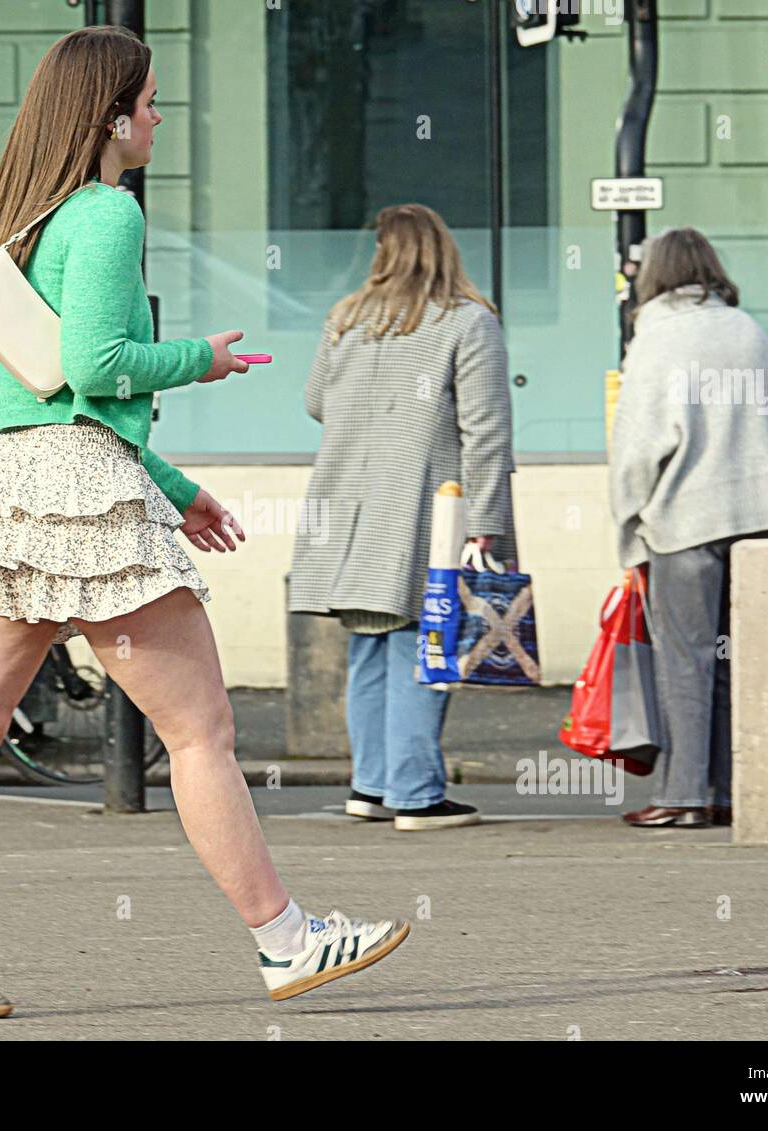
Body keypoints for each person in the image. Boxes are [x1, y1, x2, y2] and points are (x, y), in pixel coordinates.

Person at [0, 25, 408, 1020]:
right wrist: (202, 358)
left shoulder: (22, 225)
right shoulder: (107, 213)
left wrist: (169, 482)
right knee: (200, 730)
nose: (158, 117)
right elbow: (100, 366)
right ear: (109, 116)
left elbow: (39, 400)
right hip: (82, 499)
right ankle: (286, 941)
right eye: (148, 101)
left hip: (10, 491)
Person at [287, 204, 517, 832]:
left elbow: (316, 403)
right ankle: (415, 795)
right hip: (431, 506)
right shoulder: (468, 322)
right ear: (445, 250)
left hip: (350, 506)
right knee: (428, 642)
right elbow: (487, 430)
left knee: (370, 642)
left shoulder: (347, 320)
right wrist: (486, 522)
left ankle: (371, 785)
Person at [609, 227, 768, 829]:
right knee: (729, 659)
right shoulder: (748, 331)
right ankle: (725, 791)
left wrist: (628, 535)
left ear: (655, 275)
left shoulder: (656, 340)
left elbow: (637, 450)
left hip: (685, 523)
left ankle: (684, 795)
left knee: (684, 662)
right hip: (759, 520)